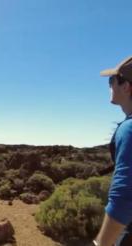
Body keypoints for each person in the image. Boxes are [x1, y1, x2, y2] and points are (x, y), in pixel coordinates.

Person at [95, 56, 132, 246]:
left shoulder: (129, 129)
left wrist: (101, 244)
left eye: (112, 81)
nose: (109, 86)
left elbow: (124, 194)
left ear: (126, 86)